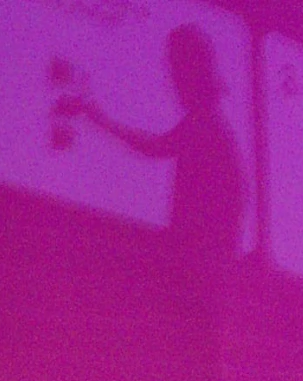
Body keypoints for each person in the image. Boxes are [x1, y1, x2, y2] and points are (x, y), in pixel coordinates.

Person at [56, 24, 244, 265]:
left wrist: (99, 119)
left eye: (176, 68)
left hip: (201, 265)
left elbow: (154, 147)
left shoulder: (207, 126)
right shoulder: (209, 123)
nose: (172, 79)